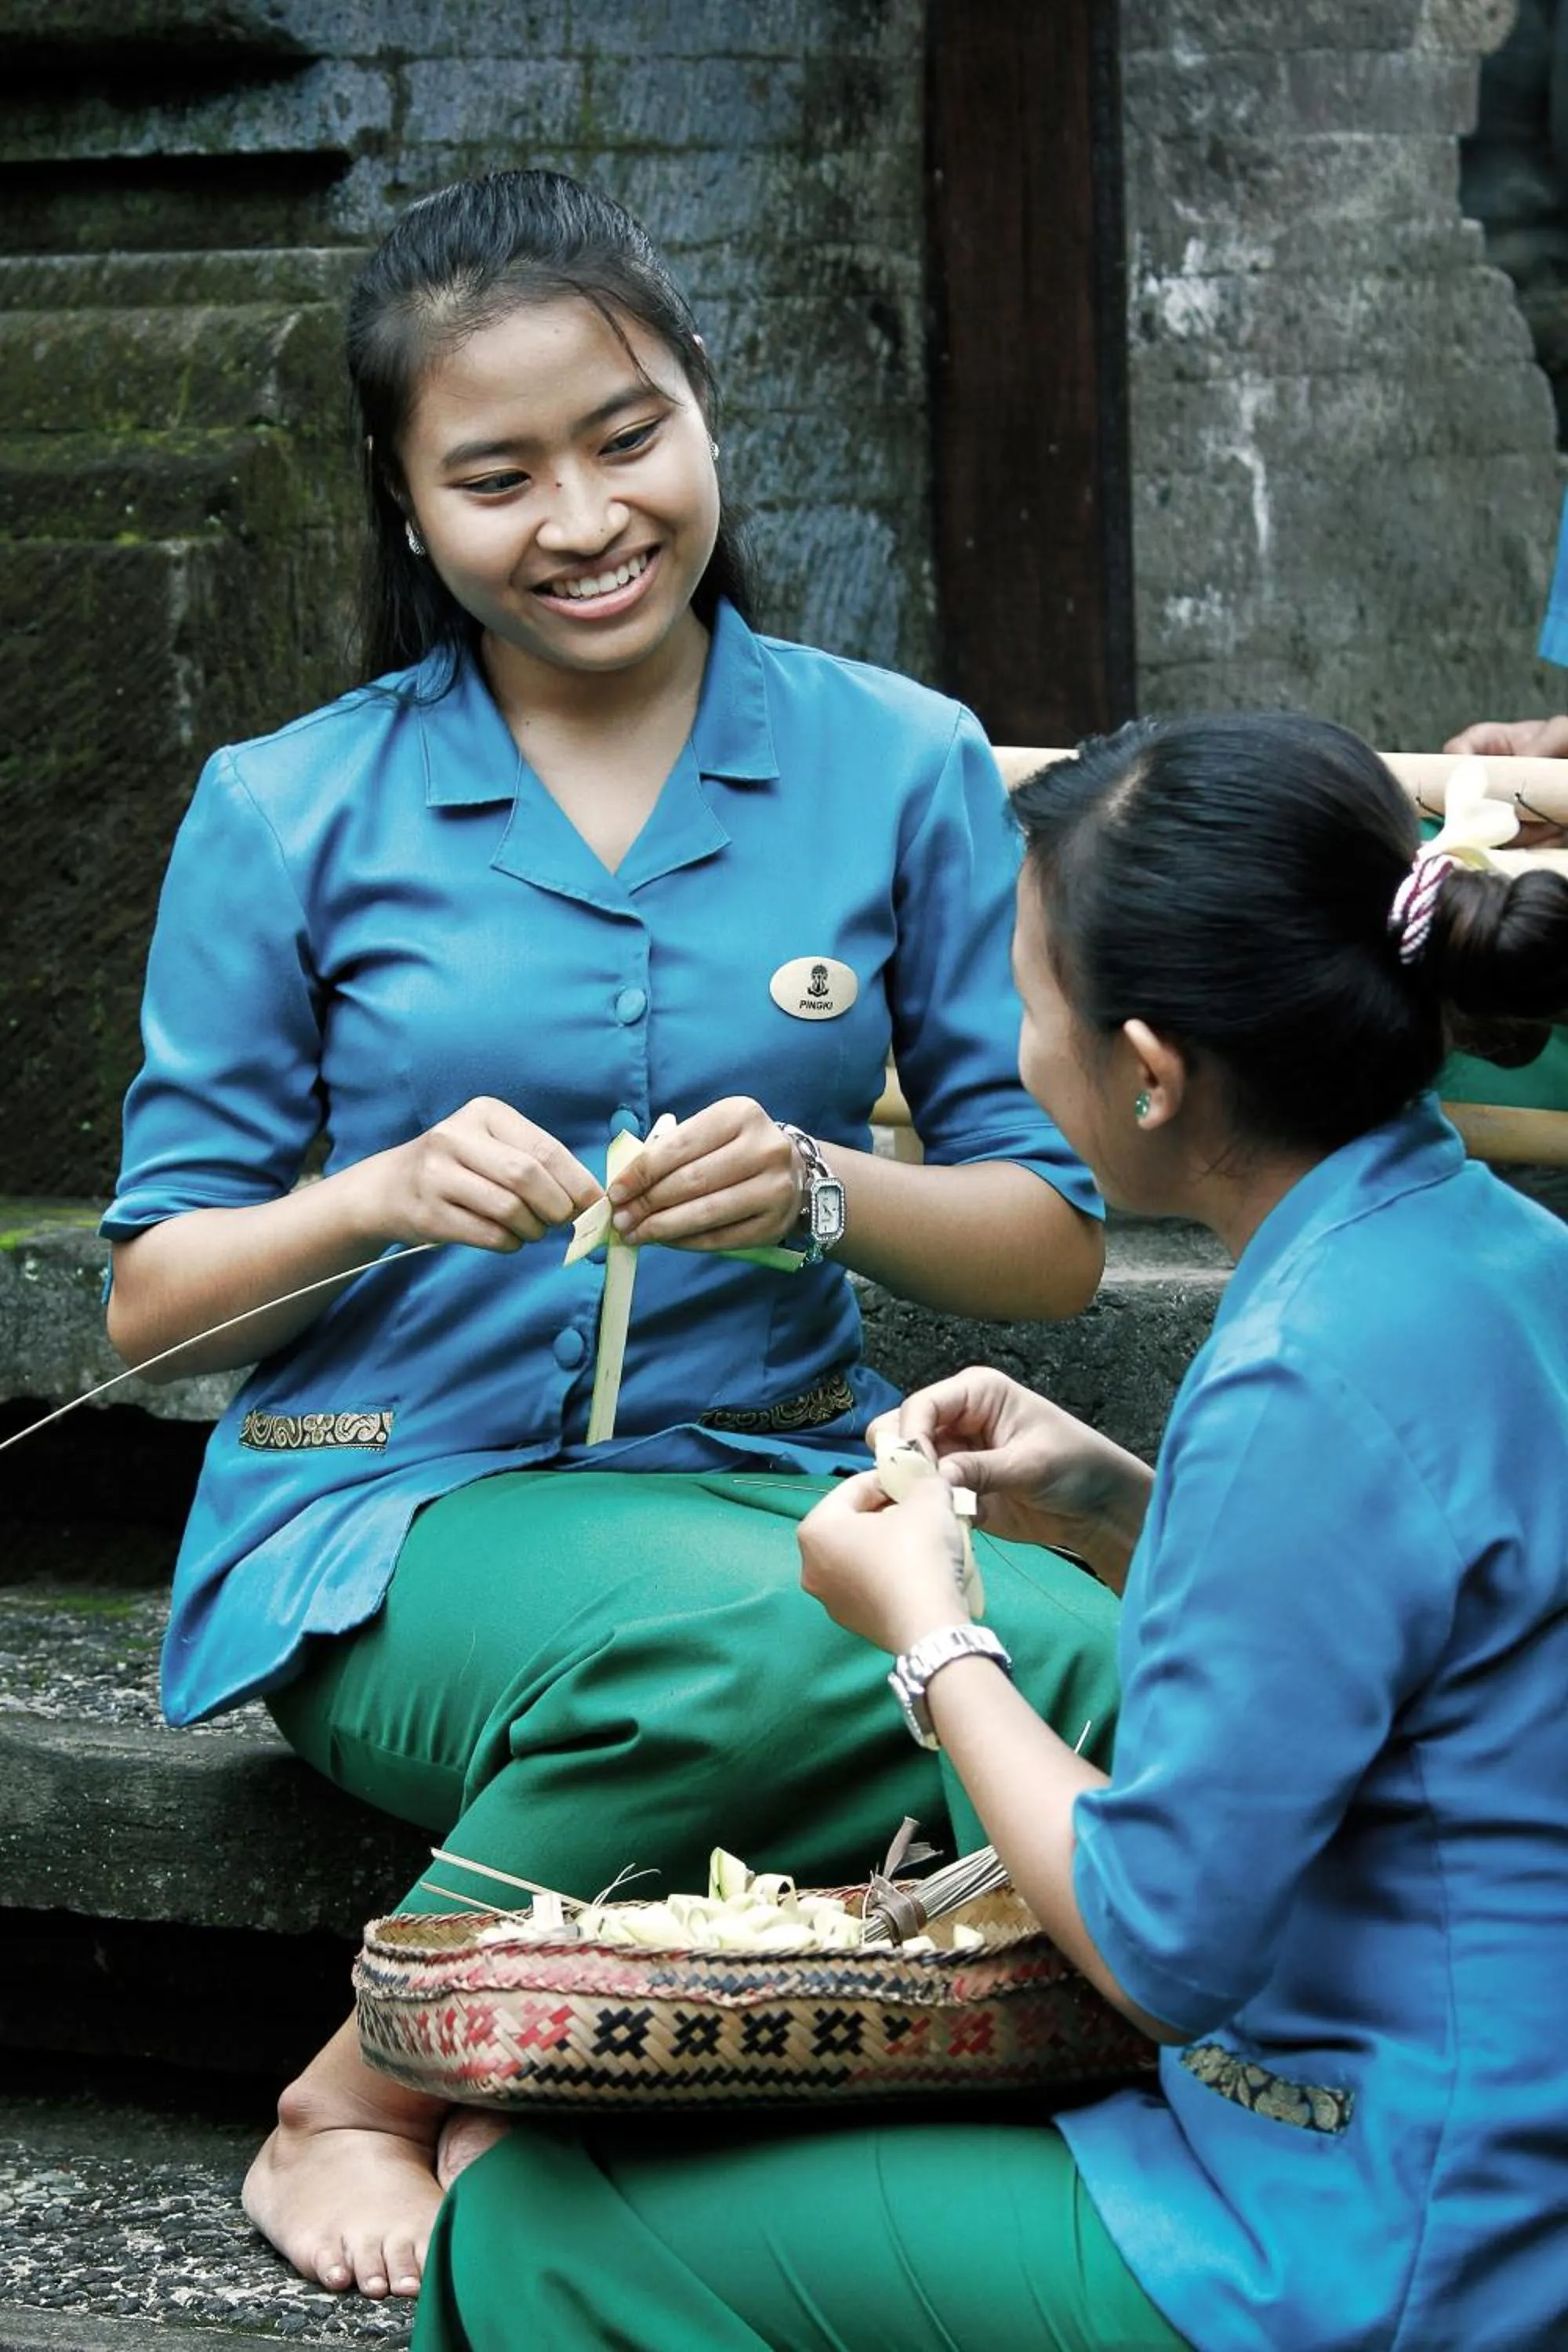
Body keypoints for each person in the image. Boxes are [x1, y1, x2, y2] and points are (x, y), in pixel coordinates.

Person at [100, 169, 1118, 2301]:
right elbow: (152, 1311)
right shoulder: (287, 805)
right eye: (495, 478)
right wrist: (373, 1196)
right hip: (393, 1509)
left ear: (704, 408)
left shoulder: (901, 760)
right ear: (406, 509)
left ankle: (585, 2083)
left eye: (627, 435)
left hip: (780, 1476)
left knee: (1105, 1659)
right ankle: (357, 2096)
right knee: (756, 1649)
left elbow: (1052, 1243)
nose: (582, 519)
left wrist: (825, 1190)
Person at [412, 711, 1568, 2351]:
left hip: (1365, 2239)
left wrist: (935, 1635)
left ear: (1150, 1072)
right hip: (1496, 2162)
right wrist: (1116, 1504)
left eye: (1030, 1008)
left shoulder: (1299, 1369)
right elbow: (1405, 1635)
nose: (1022, 1052)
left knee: (539, 2218)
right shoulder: (1487, 1251)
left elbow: (1161, 1942)